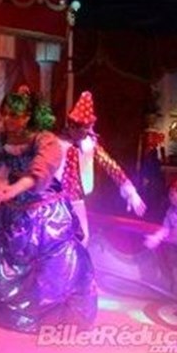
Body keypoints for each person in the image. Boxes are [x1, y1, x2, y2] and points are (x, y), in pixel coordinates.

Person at [0, 86, 97, 333]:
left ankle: (49, 316)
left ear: (28, 117)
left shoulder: (46, 140)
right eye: (5, 113)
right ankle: (12, 313)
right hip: (13, 209)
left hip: (45, 212)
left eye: (14, 115)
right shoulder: (3, 138)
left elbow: (40, 169)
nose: (7, 119)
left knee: (52, 263)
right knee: (5, 257)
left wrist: (15, 188)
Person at [56, 91, 147, 246]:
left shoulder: (90, 145)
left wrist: (130, 191)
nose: (77, 132)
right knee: (55, 239)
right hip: (54, 198)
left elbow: (110, 166)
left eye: (82, 129)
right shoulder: (56, 143)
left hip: (76, 199)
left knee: (82, 239)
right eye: (74, 127)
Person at [144, 178, 177, 312]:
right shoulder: (171, 211)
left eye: (172, 194)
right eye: (169, 194)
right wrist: (156, 238)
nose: (170, 197)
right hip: (175, 249)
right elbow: (165, 228)